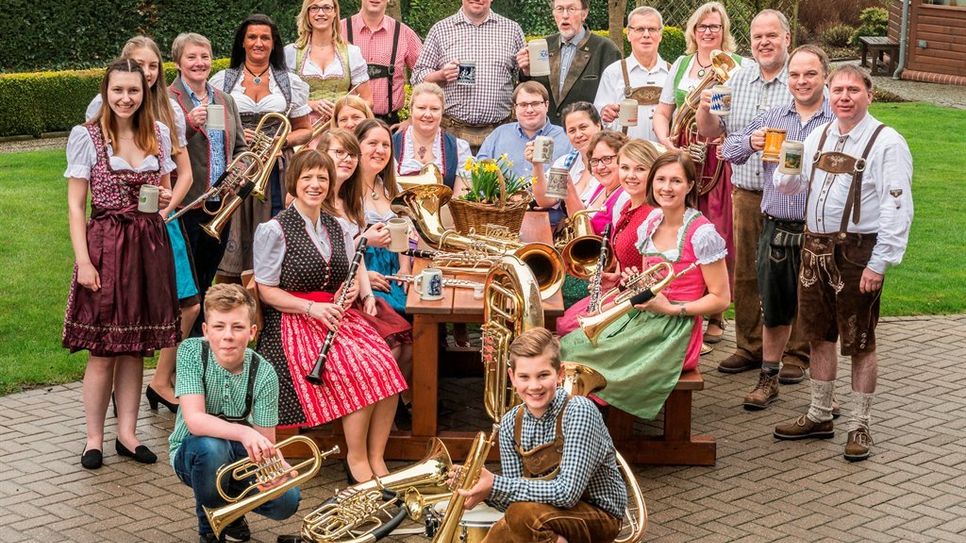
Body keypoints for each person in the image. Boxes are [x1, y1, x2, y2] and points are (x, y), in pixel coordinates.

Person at [773, 65, 913, 462]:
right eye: (838, 90)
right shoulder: (818, 135)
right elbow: (793, 185)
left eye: (853, 89)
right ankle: (820, 414)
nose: (844, 97)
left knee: (860, 340)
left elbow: (897, 207)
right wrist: (785, 166)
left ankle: (859, 424)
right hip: (813, 248)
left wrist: (880, 262)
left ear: (870, 94)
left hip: (856, 253)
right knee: (818, 334)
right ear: (829, 95)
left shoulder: (887, 142)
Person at [254, 149, 407, 483]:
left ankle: (376, 457)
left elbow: (346, 275)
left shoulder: (337, 225)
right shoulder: (274, 230)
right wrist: (312, 307)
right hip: (294, 320)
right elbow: (266, 291)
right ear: (293, 182)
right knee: (361, 371)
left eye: (322, 178)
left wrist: (350, 291)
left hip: (336, 316)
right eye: (307, 177)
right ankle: (356, 461)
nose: (315, 184)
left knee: (388, 368)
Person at [65, 59, 180, 469]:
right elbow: (77, 206)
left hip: (149, 245)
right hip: (106, 245)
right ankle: (93, 439)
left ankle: (127, 435)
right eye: (118, 91)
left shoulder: (158, 134)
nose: (126, 98)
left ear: (145, 92)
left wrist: (165, 200)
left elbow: (164, 192)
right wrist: (83, 260)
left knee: (134, 349)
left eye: (133, 91)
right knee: (102, 350)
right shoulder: (88, 136)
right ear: (106, 91)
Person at [559, 152, 730, 420]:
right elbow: (649, 276)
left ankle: (594, 423)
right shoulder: (651, 221)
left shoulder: (702, 234)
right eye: (660, 179)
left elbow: (721, 299)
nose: (666, 187)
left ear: (690, 186)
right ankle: (583, 420)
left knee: (583, 356)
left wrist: (672, 309)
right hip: (643, 316)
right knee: (569, 345)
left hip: (675, 332)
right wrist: (626, 280)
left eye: (676, 181)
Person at [85, 36, 198, 411]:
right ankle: (119, 398)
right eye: (138, 65)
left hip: (159, 221)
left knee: (183, 304)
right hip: (118, 228)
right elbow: (95, 173)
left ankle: (158, 382)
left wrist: (168, 206)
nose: (146, 73)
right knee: (119, 318)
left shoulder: (168, 113)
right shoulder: (105, 109)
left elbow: (176, 175)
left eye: (152, 67)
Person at [720, 45, 834, 409]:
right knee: (774, 307)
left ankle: (823, 395)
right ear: (788, 79)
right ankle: (768, 381)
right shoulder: (773, 117)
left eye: (810, 74)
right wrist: (749, 141)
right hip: (777, 226)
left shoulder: (837, 120)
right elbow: (728, 149)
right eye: (796, 75)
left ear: (824, 77)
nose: (801, 81)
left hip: (822, 231)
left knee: (821, 313)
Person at [695, 9, 806, 376]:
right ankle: (750, 345)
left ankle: (795, 353)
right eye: (758, 36)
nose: (764, 42)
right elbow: (713, 133)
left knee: (792, 272)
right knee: (745, 273)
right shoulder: (736, 79)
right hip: (747, 191)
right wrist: (705, 104)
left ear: (786, 38)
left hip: (794, 198)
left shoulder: (800, 78)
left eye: (771, 35)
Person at [458, 328, 627, 543]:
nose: (534, 386)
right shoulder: (510, 423)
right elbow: (513, 498)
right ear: (512, 377)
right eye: (524, 377)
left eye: (543, 375)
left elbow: (568, 493)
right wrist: (480, 488)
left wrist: (495, 484)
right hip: (542, 512)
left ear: (560, 374)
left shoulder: (579, 410)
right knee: (510, 522)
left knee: (522, 515)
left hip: (599, 515)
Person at [170, 284, 300, 543]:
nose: (227, 335)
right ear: (206, 331)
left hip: (239, 455)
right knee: (211, 448)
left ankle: (232, 513)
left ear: (252, 332)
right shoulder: (191, 352)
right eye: (219, 326)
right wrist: (244, 432)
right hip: (192, 453)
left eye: (237, 327)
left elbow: (265, 440)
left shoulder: (264, 373)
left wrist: (277, 469)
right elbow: (194, 421)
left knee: (287, 499)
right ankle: (210, 530)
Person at [652, 1, 743, 348]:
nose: (708, 32)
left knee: (717, 233)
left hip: (716, 163)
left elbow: (735, 115)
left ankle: (717, 313)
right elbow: (664, 112)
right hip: (682, 157)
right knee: (681, 231)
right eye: (703, 26)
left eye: (715, 26)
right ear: (693, 31)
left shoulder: (736, 66)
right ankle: (687, 307)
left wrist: (722, 137)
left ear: (724, 31)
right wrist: (667, 143)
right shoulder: (680, 65)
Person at [211, 14, 313, 279]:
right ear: (242, 43)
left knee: (274, 231)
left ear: (273, 43)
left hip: (276, 167)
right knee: (232, 235)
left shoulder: (290, 82)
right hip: (238, 166)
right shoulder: (222, 80)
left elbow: (305, 130)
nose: (258, 43)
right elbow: (210, 128)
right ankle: (230, 298)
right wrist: (233, 132)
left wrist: (281, 142)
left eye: (265, 37)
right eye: (252, 37)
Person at [169, 32, 249, 341]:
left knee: (206, 279)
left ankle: (198, 349)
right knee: (187, 287)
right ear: (178, 62)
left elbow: (241, 147)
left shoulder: (224, 98)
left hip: (220, 205)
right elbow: (161, 149)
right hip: (186, 203)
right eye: (191, 57)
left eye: (204, 56)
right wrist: (188, 124)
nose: (199, 63)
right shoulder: (167, 98)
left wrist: (240, 170)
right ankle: (183, 352)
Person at [555, 137, 659, 336]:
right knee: (563, 322)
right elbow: (622, 261)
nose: (630, 176)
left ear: (653, 172)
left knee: (567, 326)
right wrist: (614, 279)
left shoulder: (653, 216)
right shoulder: (626, 206)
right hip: (620, 288)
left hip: (637, 303)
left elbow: (653, 280)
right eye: (626, 168)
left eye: (640, 169)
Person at [412, 0, 526, 151]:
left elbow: (525, 79)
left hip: (499, 132)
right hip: (451, 131)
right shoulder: (441, 29)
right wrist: (441, 75)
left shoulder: (512, 29)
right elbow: (417, 76)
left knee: (499, 176)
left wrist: (527, 69)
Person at [516, 0, 621, 125]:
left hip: (586, 136)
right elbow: (531, 93)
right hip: (546, 133)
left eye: (571, 9)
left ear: (584, 14)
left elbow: (614, 100)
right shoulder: (543, 46)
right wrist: (526, 72)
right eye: (560, 9)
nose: (565, 15)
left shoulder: (605, 49)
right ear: (554, 13)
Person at [594, 6, 670, 142]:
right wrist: (605, 114)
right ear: (629, 34)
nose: (646, 34)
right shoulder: (613, 72)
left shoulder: (673, 73)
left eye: (652, 29)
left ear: (660, 35)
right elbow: (598, 120)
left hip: (666, 158)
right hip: (625, 157)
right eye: (640, 29)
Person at [341, 0, 422, 126]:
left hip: (388, 124)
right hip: (347, 125)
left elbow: (425, 77)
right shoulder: (339, 31)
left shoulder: (404, 34)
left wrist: (411, 120)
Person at [477, 81, 572, 179]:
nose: (530, 110)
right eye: (523, 105)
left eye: (535, 104)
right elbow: (479, 172)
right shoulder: (499, 135)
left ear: (546, 105)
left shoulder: (566, 138)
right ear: (515, 108)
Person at [530, 101, 602, 225]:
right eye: (572, 130)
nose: (578, 134)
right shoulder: (566, 163)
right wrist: (537, 165)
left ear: (598, 125)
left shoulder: (612, 164)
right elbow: (547, 200)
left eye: (583, 127)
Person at [392, 82, 473, 190]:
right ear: (411, 110)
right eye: (421, 108)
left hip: (446, 207)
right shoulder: (392, 145)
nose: (427, 114)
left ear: (442, 112)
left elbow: (460, 198)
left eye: (434, 109)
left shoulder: (459, 148)